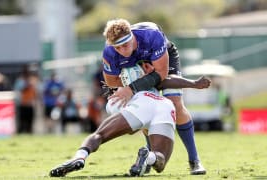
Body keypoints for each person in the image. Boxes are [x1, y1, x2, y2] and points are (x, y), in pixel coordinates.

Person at [101, 18, 210, 175]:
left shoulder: (151, 36)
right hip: (136, 66)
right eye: (118, 48)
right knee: (146, 110)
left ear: (132, 36)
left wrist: (132, 87)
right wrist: (135, 73)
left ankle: (194, 160)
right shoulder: (110, 51)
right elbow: (111, 82)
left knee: (175, 105)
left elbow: (162, 74)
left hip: (162, 61)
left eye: (125, 45)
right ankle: (149, 156)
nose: (123, 51)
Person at [49, 64, 177, 177]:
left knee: (99, 135)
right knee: (161, 158)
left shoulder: (115, 99)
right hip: (165, 105)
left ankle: (80, 157)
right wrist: (195, 84)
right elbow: (167, 80)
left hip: (141, 103)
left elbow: (131, 130)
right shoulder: (148, 77)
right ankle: (149, 157)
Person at [14, 66, 37, 134]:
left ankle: (29, 133)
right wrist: (26, 84)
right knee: (22, 121)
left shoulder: (32, 80)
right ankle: (20, 133)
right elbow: (19, 90)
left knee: (30, 121)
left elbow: (35, 92)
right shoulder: (20, 80)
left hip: (30, 104)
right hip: (22, 104)